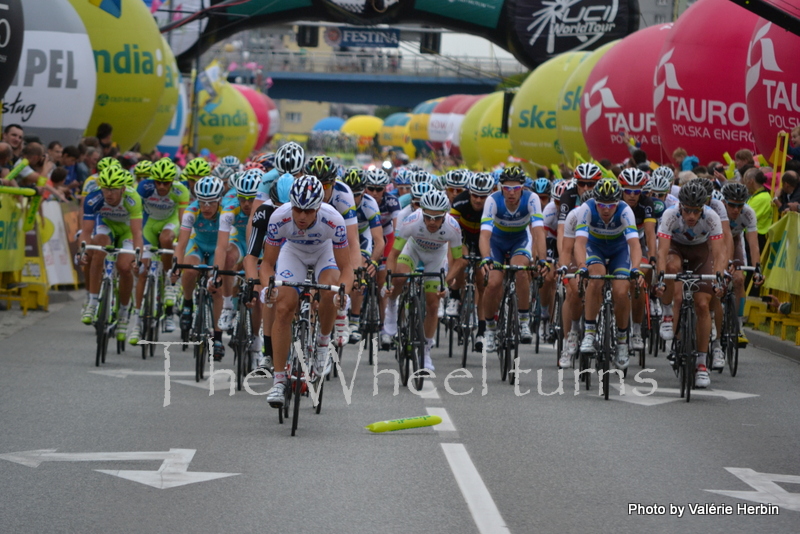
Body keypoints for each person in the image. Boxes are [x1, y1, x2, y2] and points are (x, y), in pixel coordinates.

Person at [260, 176, 354, 407]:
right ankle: (279, 381)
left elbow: (346, 268)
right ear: (290, 205)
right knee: (283, 308)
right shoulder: (279, 218)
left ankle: (323, 343)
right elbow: (267, 265)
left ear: (319, 207)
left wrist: (344, 293)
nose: (302, 216)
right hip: (294, 253)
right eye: (298, 209)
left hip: (325, 253)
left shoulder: (333, 219)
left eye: (309, 210)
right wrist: (267, 288)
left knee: (330, 293)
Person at [655, 180, 727, 388]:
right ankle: (668, 316)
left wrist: (719, 277)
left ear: (702, 207)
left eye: (696, 211)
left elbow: (719, 253)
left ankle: (702, 364)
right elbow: (662, 251)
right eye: (687, 210)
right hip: (676, 249)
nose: (692, 216)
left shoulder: (711, 217)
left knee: (703, 304)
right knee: (672, 273)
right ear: (680, 206)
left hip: (700, 254)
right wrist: (660, 277)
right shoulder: (670, 215)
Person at [385, 189, 466, 370]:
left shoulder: (452, 227)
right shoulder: (412, 221)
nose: (431, 222)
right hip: (412, 250)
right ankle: (392, 305)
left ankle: (426, 352)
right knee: (401, 277)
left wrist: (446, 283)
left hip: (436, 257)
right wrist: (388, 282)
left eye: (437, 218)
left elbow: (459, 261)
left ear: (445, 215)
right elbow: (393, 254)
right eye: (428, 217)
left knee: (433, 304)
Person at [574, 178, 644, 369]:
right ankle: (589, 333)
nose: (606, 209)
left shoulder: (625, 210)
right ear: (595, 202)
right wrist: (581, 266)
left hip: (619, 251)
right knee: (596, 278)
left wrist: (636, 268)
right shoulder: (586, 209)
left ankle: (622, 341)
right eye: (602, 205)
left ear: (617, 202)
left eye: (611, 205)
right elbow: (580, 242)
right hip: (595, 248)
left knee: (621, 291)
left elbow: (634, 245)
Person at [480, 166, 547, 351]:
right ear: (501, 188)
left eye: (516, 189)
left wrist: (542, 259)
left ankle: (524, 320)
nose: (511, 193)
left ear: (522, 188)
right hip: (497, 243)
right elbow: (484, 235)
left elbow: (538, 231)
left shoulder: (531, 199)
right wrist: (486, 258)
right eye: (507, 188)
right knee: (493, 282)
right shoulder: (492, 200)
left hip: (520, 240)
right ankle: (490, 329)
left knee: (520, 271)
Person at [80, 167, 144, 344]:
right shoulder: (94, 197)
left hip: (127, 231)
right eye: (105, 188)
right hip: (105, 226)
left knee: (124, 267)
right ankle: (92, 303)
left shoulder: (133, 199)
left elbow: (137, 233)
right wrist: (83, 251)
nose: (109, 193)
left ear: (122, 189)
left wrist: (137, 258)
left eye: (114, 189)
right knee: (97, 249)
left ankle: (124, 313)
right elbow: (86, 231)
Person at [130, 158, 189, 336]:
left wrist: (179, 248)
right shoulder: (144, 187)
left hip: (170, 223)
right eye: (158, 182)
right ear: (152, 180)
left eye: (166, 182)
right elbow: (137, 219)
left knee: (166, 238)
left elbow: (182, 222)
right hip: (149, 224)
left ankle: (169, 281)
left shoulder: (181, 190)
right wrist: (138, 253)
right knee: (142, 271)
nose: (162, 186)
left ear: (173, 181)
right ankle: (138, 320)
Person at [173, 176, 227, 361]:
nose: (206, 207)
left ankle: (218, 336)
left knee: (217, 288)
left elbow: (223, 246)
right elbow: (181, 244)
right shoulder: (191, 211)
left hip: (217, 249)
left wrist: (217, 273)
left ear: (219, 200)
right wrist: (175, 268)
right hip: (197, 245)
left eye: (211, 202)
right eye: (202, 201)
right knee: (189, 270)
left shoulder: (226, 212)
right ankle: (187, 302)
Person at [341, 168, 384, 343]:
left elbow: (379, 241)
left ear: (364, 191)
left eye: (357, 194)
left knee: (360, 271)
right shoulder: (338, 199)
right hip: (342, 236)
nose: (353, 198)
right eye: (350, 193)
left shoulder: (369, 203)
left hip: (362, 236)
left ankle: (355, 320)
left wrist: (372, 262)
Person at [721, 182, 764, 346]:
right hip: (714, 243)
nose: (735, 210)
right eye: (731, 205)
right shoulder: (716, 210)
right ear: (724, 202)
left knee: (739, 280)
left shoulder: (748, 213)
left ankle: (738, 326)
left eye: (740, 205)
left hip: (735, 240)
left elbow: (753, 245)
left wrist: (757, 269)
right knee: (715, 279)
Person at [743, 167, 772, 254]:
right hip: (752, 234)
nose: (745, 184)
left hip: (757, 236)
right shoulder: (756, 196)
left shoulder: (762, 198)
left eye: (745, 181)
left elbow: (746, 218)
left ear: (751, 181)